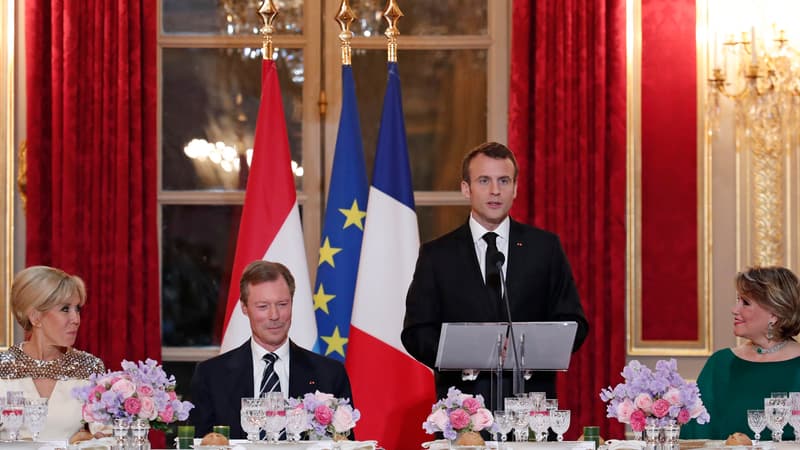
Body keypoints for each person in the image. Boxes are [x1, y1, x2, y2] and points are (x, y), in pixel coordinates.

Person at [401, 141, 589, 407]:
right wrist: (466, 354)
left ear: (515, 188)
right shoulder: (437, 255)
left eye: (503, 180)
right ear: (466, 188)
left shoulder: (544, 248)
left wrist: (532, 351)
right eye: (483, 180)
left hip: (531, 408)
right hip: (463, 412)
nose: (495, 191)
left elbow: (574, 323)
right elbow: (416, 332)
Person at [190, 260, 354, 439]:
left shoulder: (329, 374)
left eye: (282, 304)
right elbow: (199, 443)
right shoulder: (211, 375)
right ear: (244, 308)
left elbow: (346, 444)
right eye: (263, 306)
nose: (274, 315)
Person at [681, 266, 800, 439]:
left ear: (774, 314)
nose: (734, 310)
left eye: (745, 303)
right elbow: (694, 435)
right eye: (738, 300)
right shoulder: (720, 364)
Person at [0, 265, 106, 442]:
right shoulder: (3, 367)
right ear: (35, 317)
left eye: (77, 309)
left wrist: (90, 437)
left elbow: (106, 436)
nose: (76, 320)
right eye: (65, 309)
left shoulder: (89, 368)